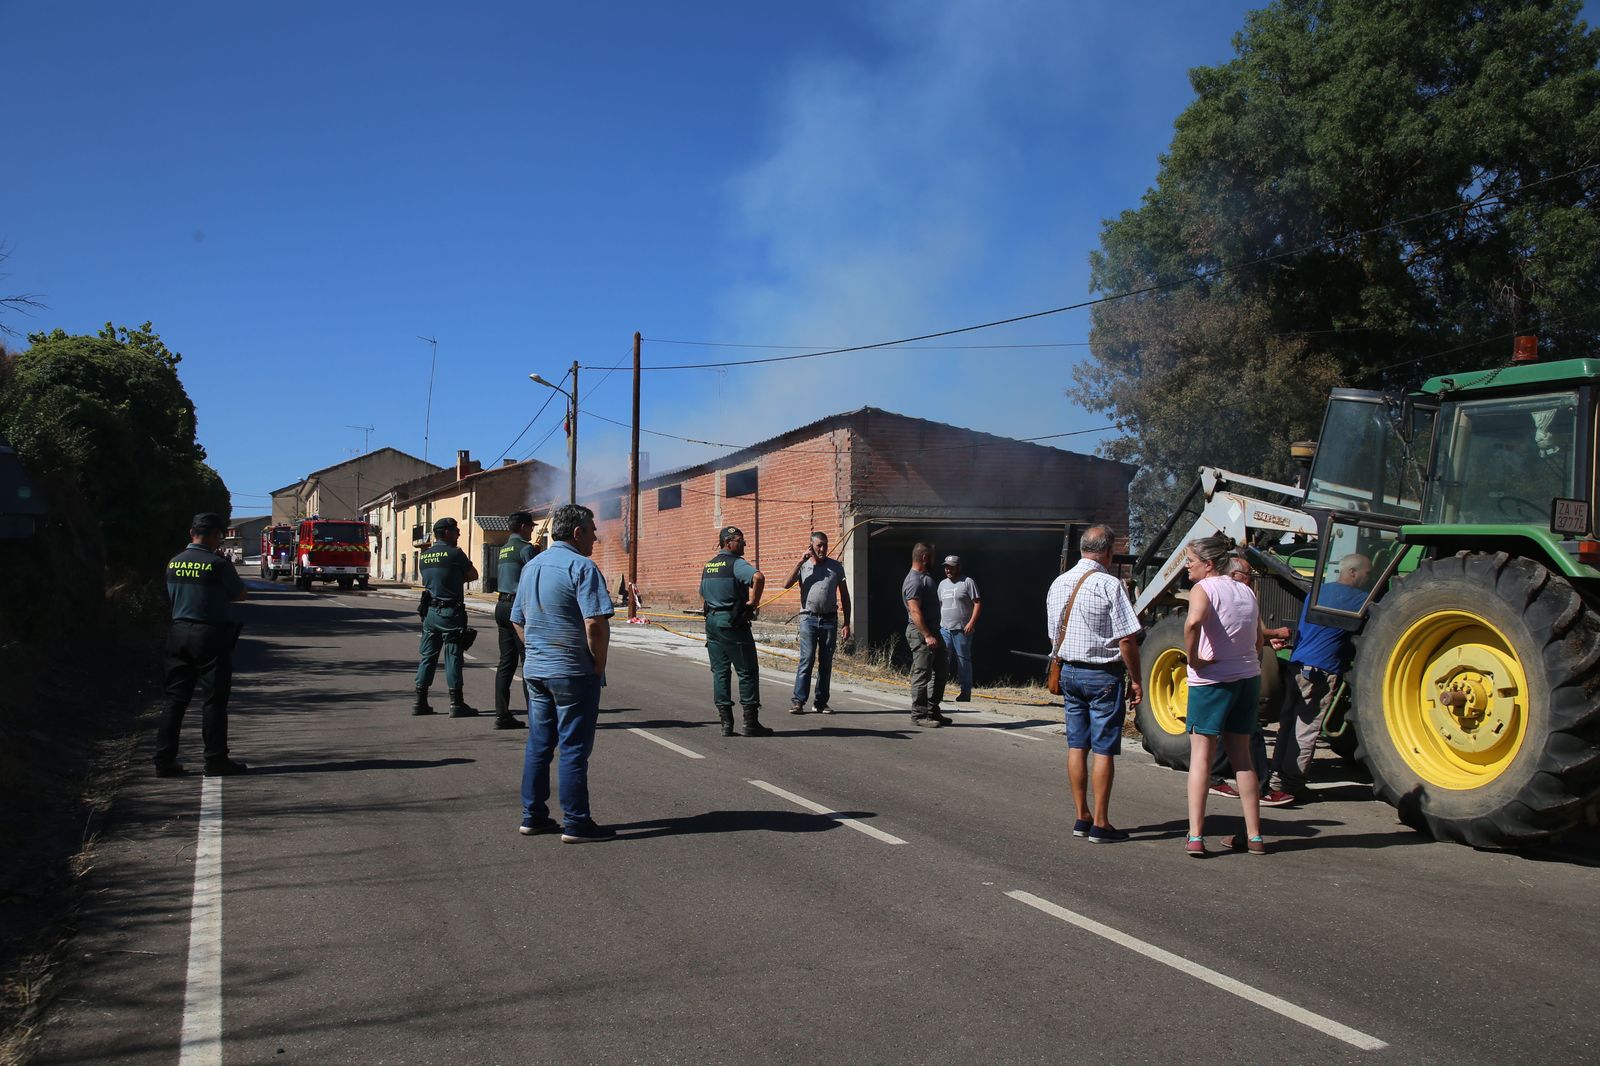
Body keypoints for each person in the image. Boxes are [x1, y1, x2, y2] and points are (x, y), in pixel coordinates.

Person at [510, 504, 616, 842]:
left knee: (539, 745)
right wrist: (597, 663)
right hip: (572, 671)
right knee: (573, 748)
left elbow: (516, 619)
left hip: (536, 671)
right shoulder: (582, 567)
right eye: (593, 530)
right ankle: (576, 822)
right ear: (577, 532)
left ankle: (534, 816)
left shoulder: (531, 566)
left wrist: (536, 650)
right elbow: (595, 623)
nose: (596, 537)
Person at [1045, 525, 1143, 842]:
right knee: (1102, 750)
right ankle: (1101, 822)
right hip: (1102, 675)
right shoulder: (1109, 584)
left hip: (1069, 672)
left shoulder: (1058, 583)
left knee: (1077, 746)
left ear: (1082, 548)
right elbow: (1127, 638)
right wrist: (1137, 679)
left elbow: (1052, 633)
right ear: (1109, 551)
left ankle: (1081, 817)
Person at [1182, 534, 1266, 857]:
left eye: (1191, 561)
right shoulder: (1246, 591)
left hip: (1211, 681)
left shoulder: (1203, 589)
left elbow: (1192, 624)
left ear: (1209, 564)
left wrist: (1194, 659)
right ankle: (1255, 836)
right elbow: (1258, 639)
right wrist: (1249, 664)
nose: (1187, 567)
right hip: (1247, 679)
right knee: (1243, 758)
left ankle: (1195, 835)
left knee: (1201, 757)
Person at [1269, 552, 1372, 799]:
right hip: (1322, 670)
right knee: (1306, 728)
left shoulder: (1318, 593)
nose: (1370, 579)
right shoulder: (1359, 600)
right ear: (1353, 572)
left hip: (1297, 664)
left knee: (1287, 725)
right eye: (1368, 574)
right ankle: (1291, 785)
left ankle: (1276, 778)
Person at [156, 512, 249, 777]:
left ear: (191, 533)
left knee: (175, 700)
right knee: (214, 700)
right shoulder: (217, 564)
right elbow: (240, 594)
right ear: (215, 536)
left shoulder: (173, 563)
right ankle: (215, 759)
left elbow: (167, 594)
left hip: (177, 632)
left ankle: (164, 761)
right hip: (209, 633)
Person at [1206, 556, 1294, 807]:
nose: (1251, 580)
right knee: (1250, 730)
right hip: (1235, 672)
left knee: (1228, 727)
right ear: (1234, 576)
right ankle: (1261, 788)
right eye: (1248, 575)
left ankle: (1213, 776)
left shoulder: (1241, 596)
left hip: (1237, 671)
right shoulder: (1227, 596)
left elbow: (1248, 633)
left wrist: (1266, 639)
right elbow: (1235, 630)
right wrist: (1273, 634)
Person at [699, 526, 771, 737]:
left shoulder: (709, 566)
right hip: (732, 622)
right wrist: (753, 603)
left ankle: (726, 723)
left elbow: (702, 593)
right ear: (728, 542)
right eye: (740, 540)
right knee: (747, 671)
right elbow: (758, 577)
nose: (744, 544)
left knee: (720, 672)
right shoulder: (736, 564)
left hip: (711, 622)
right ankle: (750, 723)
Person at [414, 516, 479, 718]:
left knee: (427, 657)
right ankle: (456, 703)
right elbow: (474, 574)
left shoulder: (424, 556)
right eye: (456, 530)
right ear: (447, 532)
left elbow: (429, 579)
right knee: (452, 657)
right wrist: (458, 577)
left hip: (430, 613)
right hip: (451, 612)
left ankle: (420, 702)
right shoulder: (455, 553)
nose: (459, 533)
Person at [783, 531, 851, 715]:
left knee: (826, 662)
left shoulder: (836, 567)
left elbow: (844, 595)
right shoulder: (804, 566)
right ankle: (798, 701)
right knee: (807, 659)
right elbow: (786, 584)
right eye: (819, 545)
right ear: (811, 546)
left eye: (825, 545)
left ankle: (821, 702)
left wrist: (846, 623)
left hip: (829, 619)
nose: (822, 549)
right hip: (808, 618)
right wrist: (799, 561)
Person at [491, 511, 539, 731]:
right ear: (521, 526)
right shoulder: (525, 548)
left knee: (506, 663)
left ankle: (501, 714)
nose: (532, 530)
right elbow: (536, 575)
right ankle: (536, 717)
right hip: (518, 608)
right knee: (528, 661)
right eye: (530, 526)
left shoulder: (504, 548)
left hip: (501, 605)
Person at [903, 543, 949, 727]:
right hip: (922, 632)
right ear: (924, 557)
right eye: (932, 556)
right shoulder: (914, 581)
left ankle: (932, 710)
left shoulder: (925, 577)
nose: (934, 560)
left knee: (942, 671)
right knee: (922, 673)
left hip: (933, 630)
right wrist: (927, 635)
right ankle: (919, 715)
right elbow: (914, 611)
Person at [937, 555, 982, 702]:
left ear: (958, 567)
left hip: (962, 629)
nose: (948, 569)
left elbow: (977, 603)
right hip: (945, 628)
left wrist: (971, 623)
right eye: (946, 567)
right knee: (943, 660)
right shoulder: (942, 584)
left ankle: (965, 692)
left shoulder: (967, 582)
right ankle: (939, 691)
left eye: (951, 566)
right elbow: (939, 604)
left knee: (963, 660)